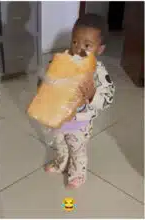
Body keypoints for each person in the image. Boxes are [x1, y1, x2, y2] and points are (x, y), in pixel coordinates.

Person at [43, 13, 115, 189]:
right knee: (60, 144)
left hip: (80, 124)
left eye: (87, 45)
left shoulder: (98, 72)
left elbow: (108, 97)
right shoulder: (62, 61)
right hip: (59, 118)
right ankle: (61, 163)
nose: (78, 49)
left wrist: (92, 95)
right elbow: (49, 81)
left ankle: (77, 174)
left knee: (77, 150)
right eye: (75, 42)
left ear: (100, 49)